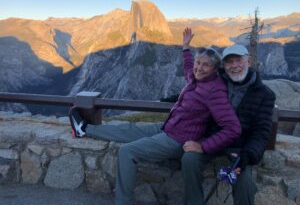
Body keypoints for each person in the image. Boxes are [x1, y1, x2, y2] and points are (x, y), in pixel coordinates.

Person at [68, 28, 241, 205]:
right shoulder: (197, 78)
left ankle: (123, 202)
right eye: (199, 62)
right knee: (128, 129)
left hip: (178, 140)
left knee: (127, 151)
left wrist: (202, 146)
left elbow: (233, 128)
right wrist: (185, 47)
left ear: (214, 70)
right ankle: (84, 130)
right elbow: (189, 67)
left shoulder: (215, 90)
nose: (199, 67)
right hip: (168, 127)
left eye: (205, 65)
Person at [181, 43, 276, 205]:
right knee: (189, 159)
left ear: (249, 61)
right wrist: (174, 99)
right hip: (212, 140)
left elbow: (261, 131)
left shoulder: (264, 94)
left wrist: (248, 155)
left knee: (244, 181)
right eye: (229, 62)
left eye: (238, 60)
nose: (234, 66)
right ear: (223, 65)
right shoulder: (217, 82)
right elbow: (196, 93)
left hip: (240, 148)